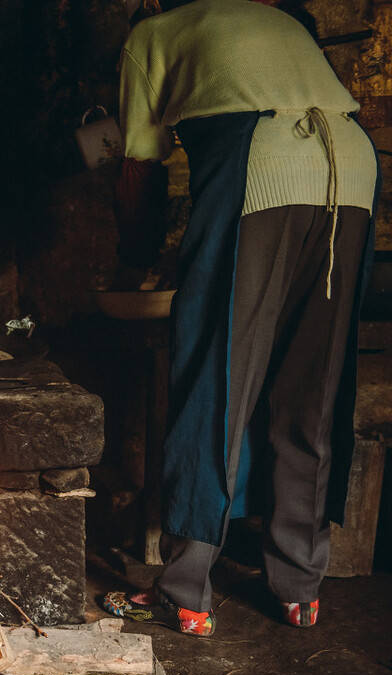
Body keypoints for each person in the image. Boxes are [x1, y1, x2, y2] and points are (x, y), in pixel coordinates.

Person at [101, 0, 380, 635]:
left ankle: (185, 594)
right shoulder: (271, 20)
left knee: (214, 381)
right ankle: (299, 589)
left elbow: (138, 170)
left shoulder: (149, 39)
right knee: (312, 389)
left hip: (262, 160)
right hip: (354, 168)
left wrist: (137, 260)